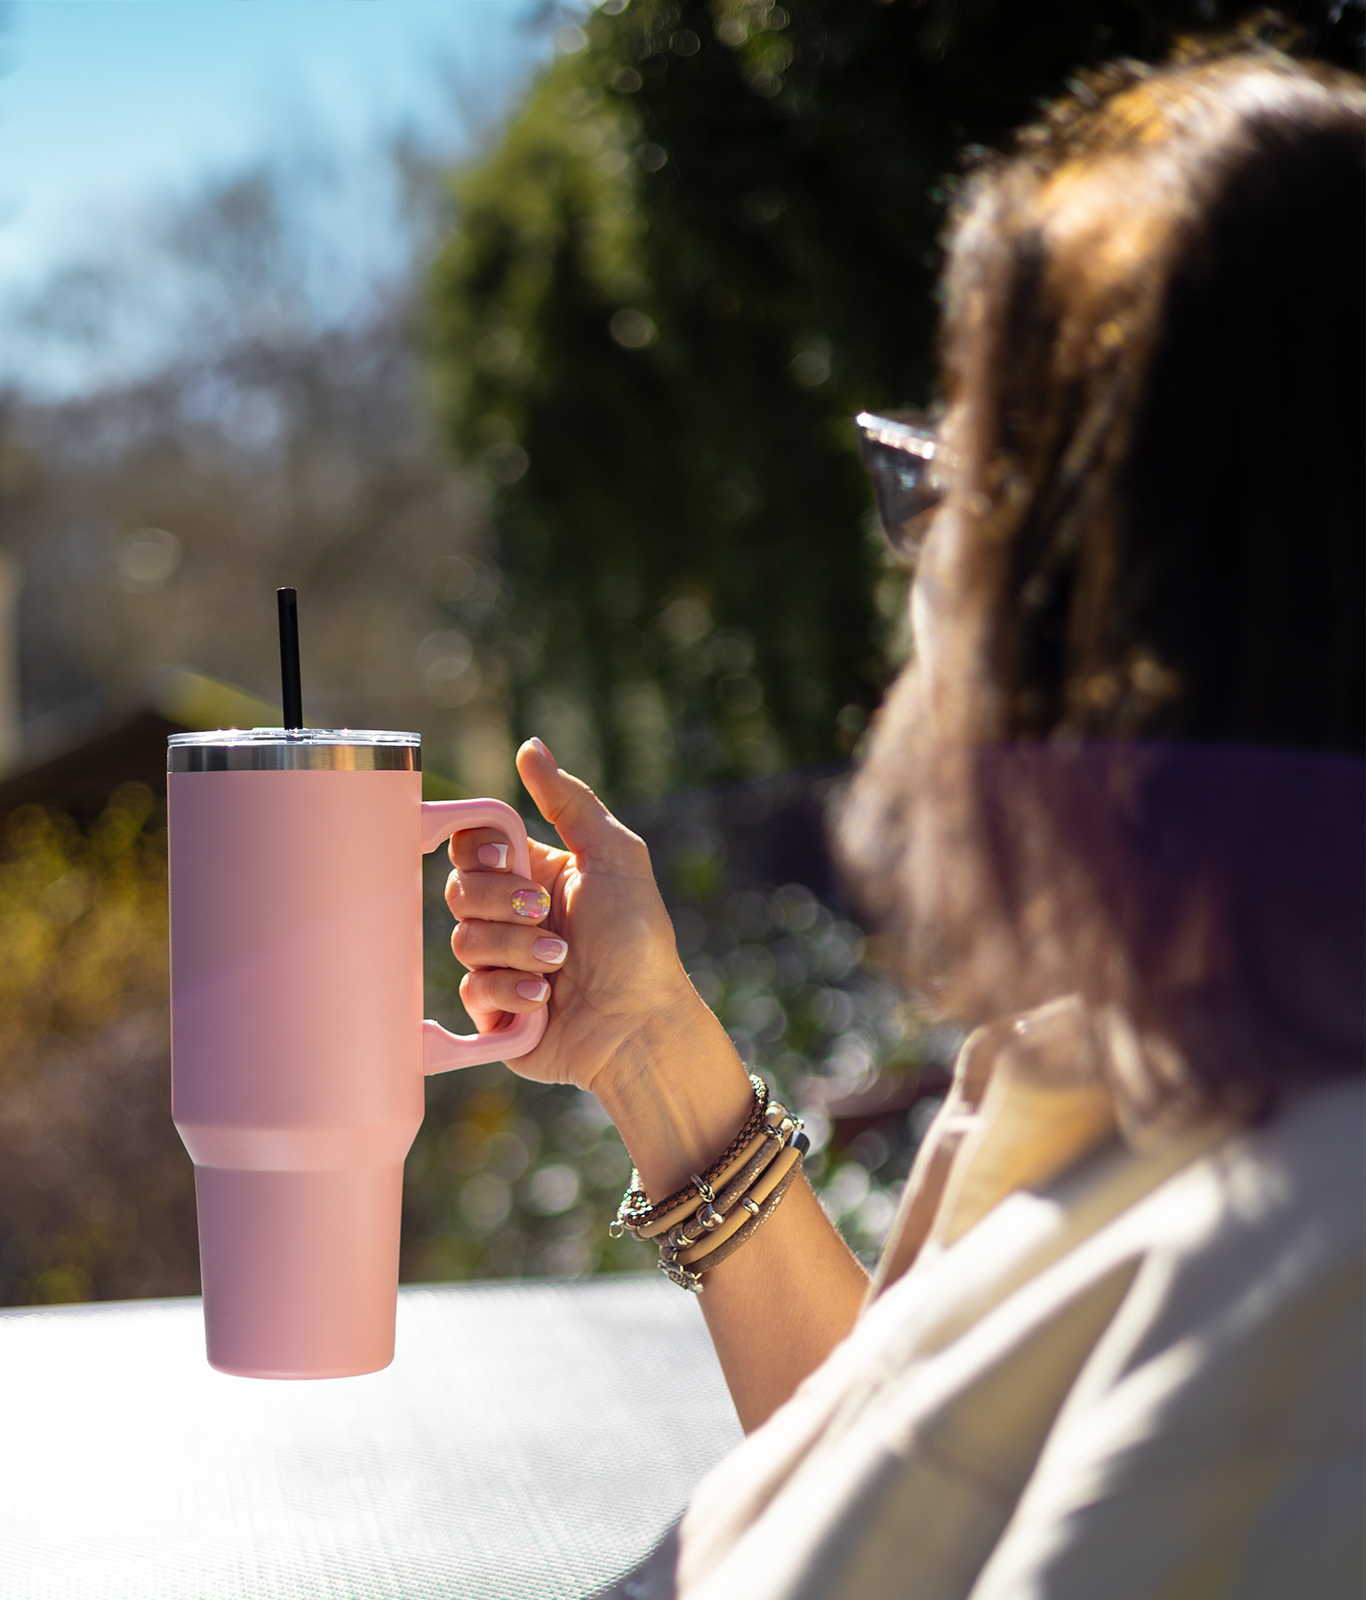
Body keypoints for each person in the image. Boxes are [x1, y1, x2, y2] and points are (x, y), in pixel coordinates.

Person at [446, 40, 1364, 1599]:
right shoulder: (1126, 1067)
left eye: (945, 483)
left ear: (1118, 596)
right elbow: (880, 1480)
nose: (913, 564)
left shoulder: (1298, 1289)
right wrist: (647, 1048)